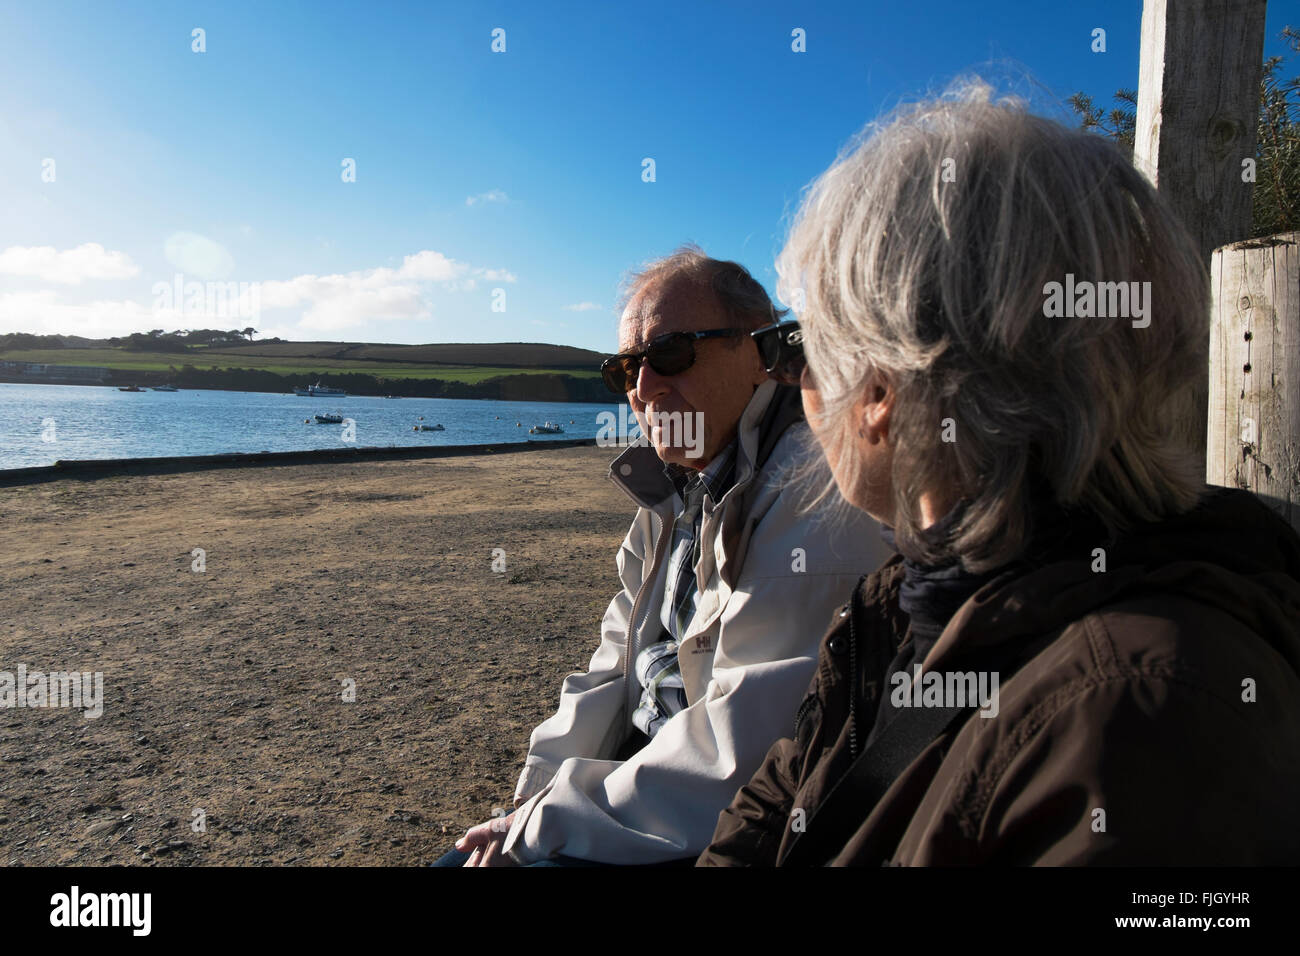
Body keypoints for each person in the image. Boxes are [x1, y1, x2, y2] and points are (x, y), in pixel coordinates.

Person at [699, 83, 1300, 866]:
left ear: (879, 389)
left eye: (796, 348)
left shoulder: (1142, 722)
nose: (790, 381)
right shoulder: (907, 602)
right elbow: (767, 814)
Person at [435, 246, 891, 866]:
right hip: (637, 785)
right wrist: (525, 805)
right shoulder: (672, 493)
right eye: (624, 370)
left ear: (760, 355)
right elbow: (610, 670)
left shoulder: (814, 497)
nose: (644, 388)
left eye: (671, 353)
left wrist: (543, 826)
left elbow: (739, 753)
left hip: (712, 828)